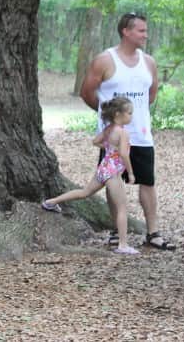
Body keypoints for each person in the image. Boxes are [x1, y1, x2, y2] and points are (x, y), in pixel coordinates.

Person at [79, 12, 176, 250]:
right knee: (113, 182)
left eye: (146, 30)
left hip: (141, 136)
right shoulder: (105, 60)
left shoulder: (149, 62)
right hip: (112, 138)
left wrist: (135, 115)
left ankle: (153, 233)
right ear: (126, 31)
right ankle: (116, 231)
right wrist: (109, 118)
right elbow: (87, 92)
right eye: (141, 30)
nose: (146, 34)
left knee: (147, 182)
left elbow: (150, 95)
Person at [41, 97, 140, 254]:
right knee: (121, 207)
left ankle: (51, 202)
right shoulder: (122, 133)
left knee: (84, 192)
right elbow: (123, 153)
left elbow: (95, 141)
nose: (131, 116)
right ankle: (123, 244)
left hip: (103, 168)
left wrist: (108, 148)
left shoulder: (109, 129)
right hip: (113, 173)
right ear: (118, 114)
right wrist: (131, 172)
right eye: (129, 113)